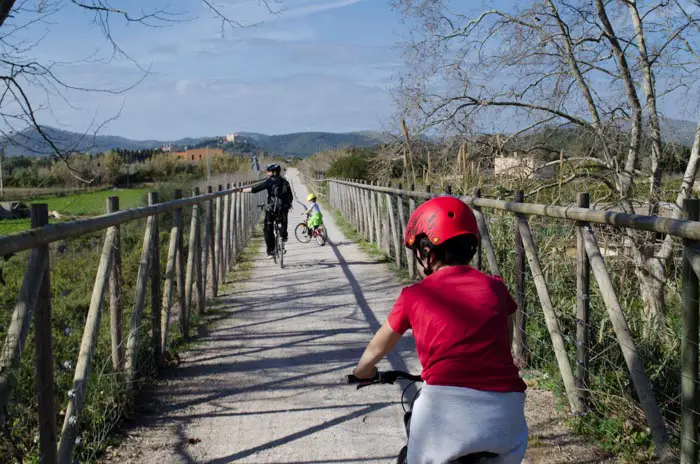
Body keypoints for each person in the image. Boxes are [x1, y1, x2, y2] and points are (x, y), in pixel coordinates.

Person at [351, 196, 528, 464]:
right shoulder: (496, 288)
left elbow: (379, 346)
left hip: (444, 411)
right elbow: (506, 338)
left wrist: (363, 371)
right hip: (507, 413)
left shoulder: (415, 296)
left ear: (426, 253)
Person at [242, 164, 294, 258]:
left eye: (268, 171)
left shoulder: (269, 181)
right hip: (283, 209)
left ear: (273, 172)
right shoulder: (285, 181)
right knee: (283, 222)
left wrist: (241, 190)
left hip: (271, 209)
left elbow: (255, 189)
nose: (267, 173)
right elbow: (290, 196)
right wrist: (288, 205)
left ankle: (270, 251)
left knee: (267, 228)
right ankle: (283, 236)